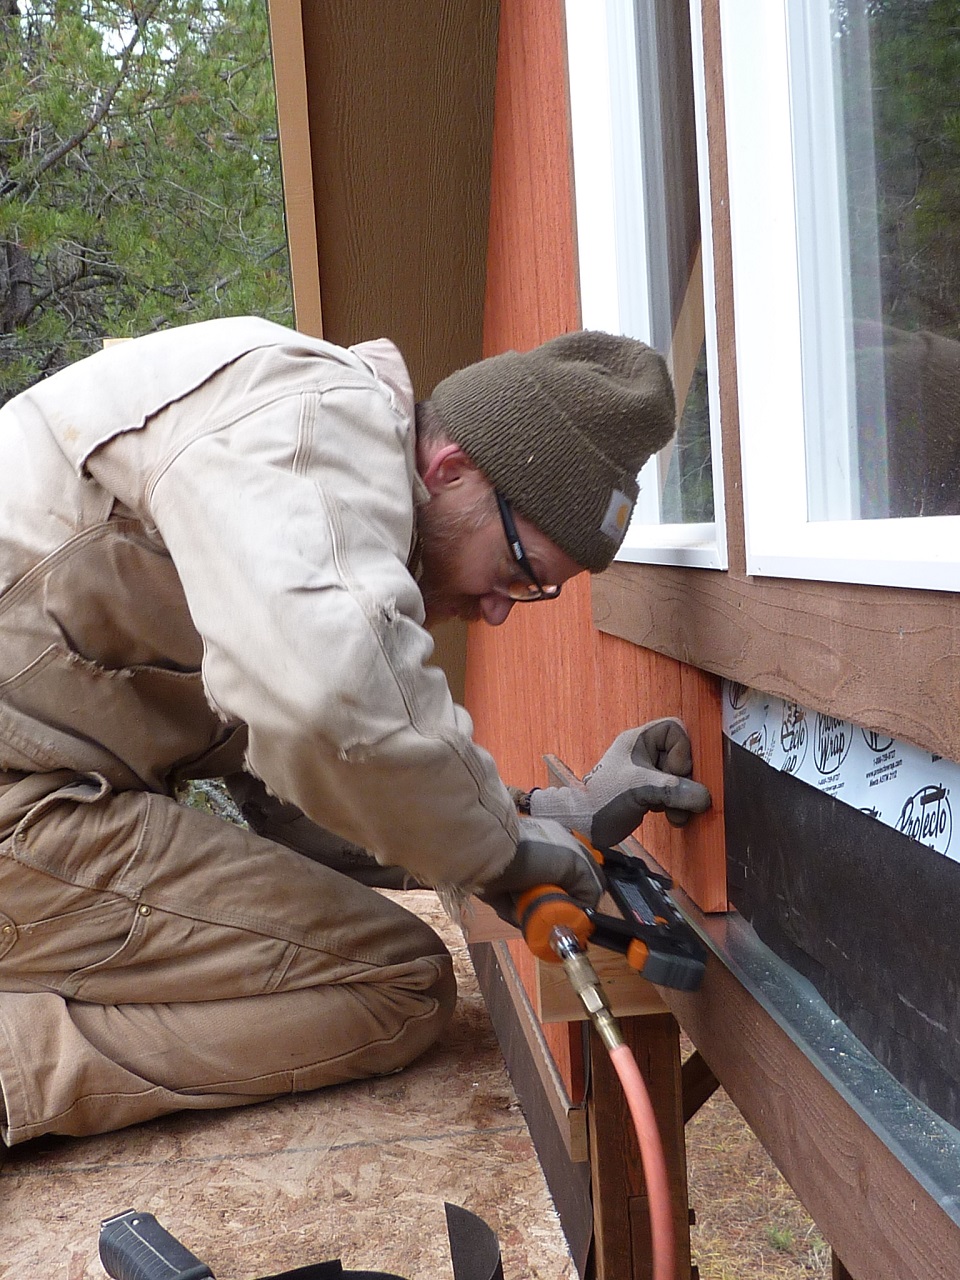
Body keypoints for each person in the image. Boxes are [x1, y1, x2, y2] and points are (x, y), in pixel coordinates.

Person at [0, 317, 711, 1146]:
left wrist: (542, 814)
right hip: (26, 800)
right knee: (397, 985)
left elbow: (297, 777)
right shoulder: (312, 425)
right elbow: (329, 701)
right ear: (453, 470)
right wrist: (503, 853)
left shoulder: (297, 478)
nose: (496, 610)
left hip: (42, 785)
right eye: (518, 573)